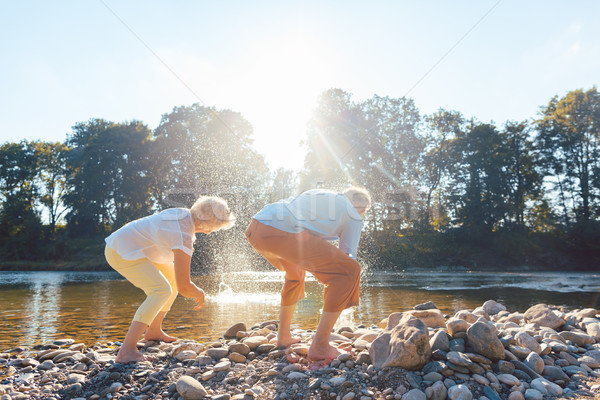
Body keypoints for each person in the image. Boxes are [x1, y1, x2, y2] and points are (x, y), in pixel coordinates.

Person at [245, 187, 371, 361]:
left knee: (295, 275)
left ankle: (283, 336)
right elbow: (346, 259)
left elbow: (303, 228)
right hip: (282, 231)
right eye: (363, 211)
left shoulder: (322, 194)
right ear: (362, 209)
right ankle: (320, 346)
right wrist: (334, 282)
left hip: (256, 228)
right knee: (350, 271)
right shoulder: (354, 216)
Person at [105, 196, 235, 363]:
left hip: (134, 248)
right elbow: (185, 286)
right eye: (215, 227)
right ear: (208, 223)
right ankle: (127, 351)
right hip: (121, 251)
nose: (211, 232)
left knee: (171, 282)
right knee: (160, 290)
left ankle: (153, 330)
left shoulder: (183, 215)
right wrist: (199, 292)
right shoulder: (183, 235)